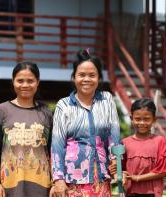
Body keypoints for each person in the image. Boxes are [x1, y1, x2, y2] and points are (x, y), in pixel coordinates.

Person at [50, 49, 121, 197]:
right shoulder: (64, 105)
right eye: (81, 75)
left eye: (92, 75)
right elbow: (57, 146)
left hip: (101, 176)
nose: (86, 79)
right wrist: (58, 179)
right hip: (72, 179)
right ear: (74, 77)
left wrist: (116, 163)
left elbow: (114, 136)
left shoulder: (107, 100)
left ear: (99, 78)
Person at [0, 62, 53, 197]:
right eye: (20, 81)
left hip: (42, 187)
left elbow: (53, 151)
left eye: (30, 81)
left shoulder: (46, 112)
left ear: (38, 82)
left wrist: (55, 182)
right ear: (13, 82)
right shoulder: (2, 110)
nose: (25, 85)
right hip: (9, 186)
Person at [121, 98, 166, 197]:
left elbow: (163, 171)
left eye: (147, 119)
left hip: (152, 193)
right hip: (131, 192)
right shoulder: (125, 142)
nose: (142, 123)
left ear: (154, 120)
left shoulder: (159, 141)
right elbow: (121, 168)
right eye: (137, 119)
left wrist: (137, 178)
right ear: (131, 119)